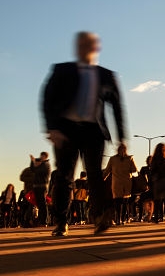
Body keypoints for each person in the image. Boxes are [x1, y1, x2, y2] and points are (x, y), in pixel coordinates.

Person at [42, 31, 126, 236]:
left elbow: (116, 107)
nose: (84, 47)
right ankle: (62, 222)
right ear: (76, 47)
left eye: (88, 43)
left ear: (97, 47)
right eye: (80, 44)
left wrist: (122, 137)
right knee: (64, 176)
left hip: (93, 131)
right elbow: (47, 99)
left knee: (95, 175)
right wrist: (51, 128)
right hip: (66, 130)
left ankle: (98, 218)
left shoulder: (106, 75)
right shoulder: (62, 70)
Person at [104, 142, 137, 225]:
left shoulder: (112, 159)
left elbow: (107, 170)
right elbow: (134, 170)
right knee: (125, 201)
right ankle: (123, 219)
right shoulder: (129, 158)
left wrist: (102, 179)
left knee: (117, 202)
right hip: (127, 182)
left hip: (116, 183)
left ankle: (118, 218)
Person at [29, 152, 51, 226]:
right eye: (41, 156)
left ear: (45, 157)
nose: (41, 157)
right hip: (36, 186)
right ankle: (41, 220)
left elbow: (39, 170)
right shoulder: (40, 164)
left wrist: (35, 163)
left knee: (43, 204)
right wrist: (32, 161)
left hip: (42, 186)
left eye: (42, 156)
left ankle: (44, 221)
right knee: (39, 204)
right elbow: (33, 169)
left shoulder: (46, 164)